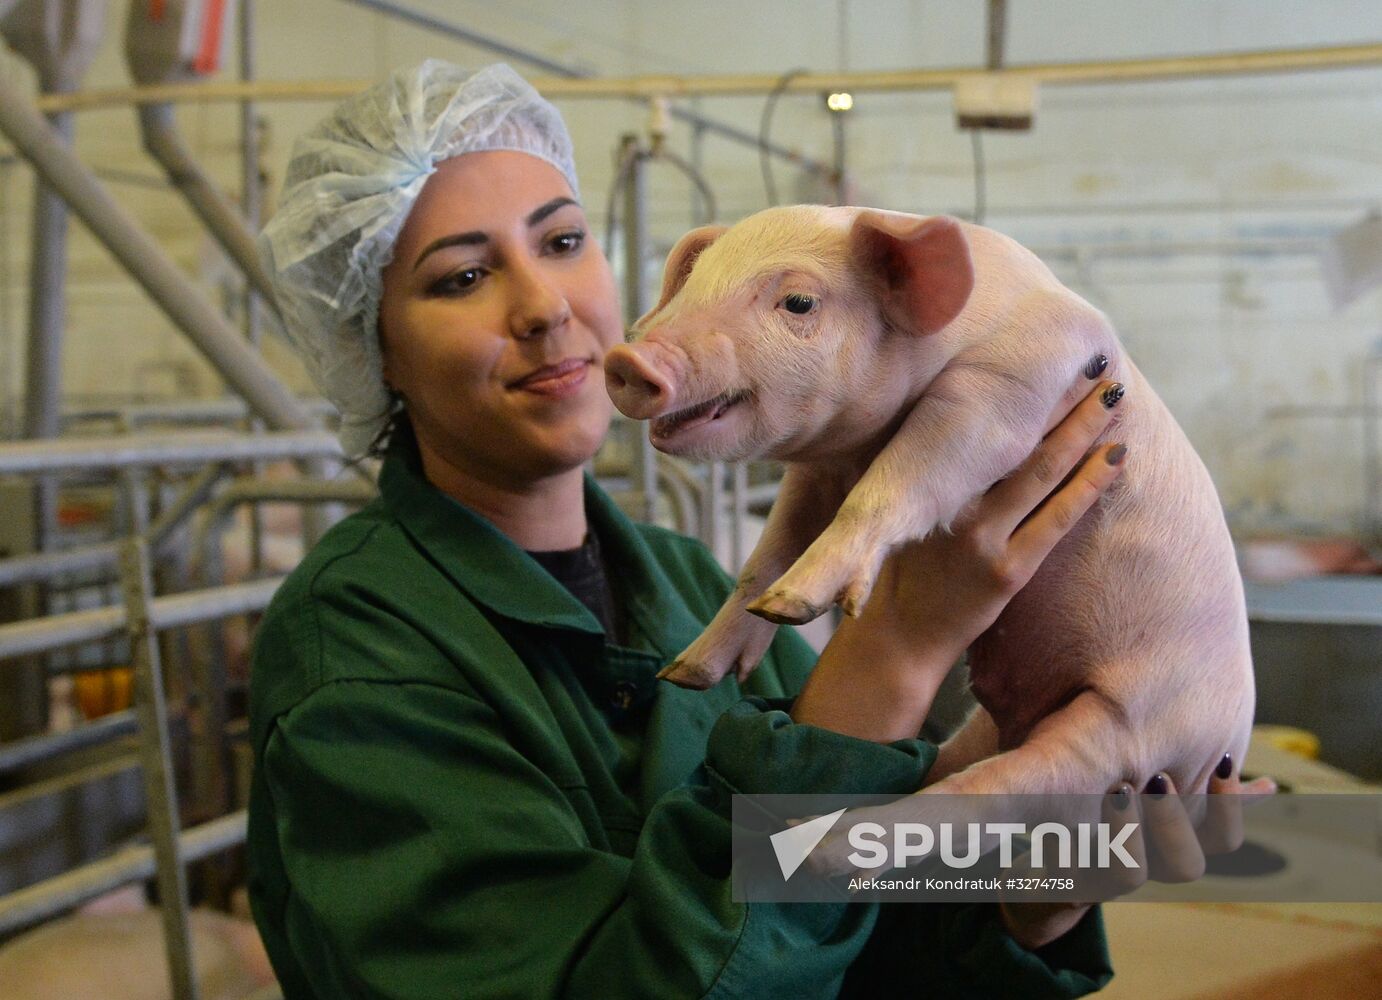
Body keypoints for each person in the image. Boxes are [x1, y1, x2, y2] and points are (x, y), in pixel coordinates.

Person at [248, 61, 1262, 999]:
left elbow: (854, 948)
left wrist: (1040, 895)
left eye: (561, 242)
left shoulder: (690, 585)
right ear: (368, 348)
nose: (547, 308)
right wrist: (896, 647)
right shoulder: (361, 659)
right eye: (461, 277)